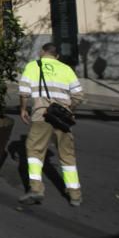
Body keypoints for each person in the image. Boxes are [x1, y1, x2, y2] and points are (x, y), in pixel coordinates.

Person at [17, 43, 84, 207]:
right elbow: (78, 95)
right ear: (57, 56)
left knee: (34, 151)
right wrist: (69, 109)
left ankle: (36, 189)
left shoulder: (33, 66)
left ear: (42, 52)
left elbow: (24, 91)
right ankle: (75, 194)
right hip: (62, 119)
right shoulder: (66, 69)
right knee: (67, 155)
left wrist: (23, 109)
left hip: (41, 115)